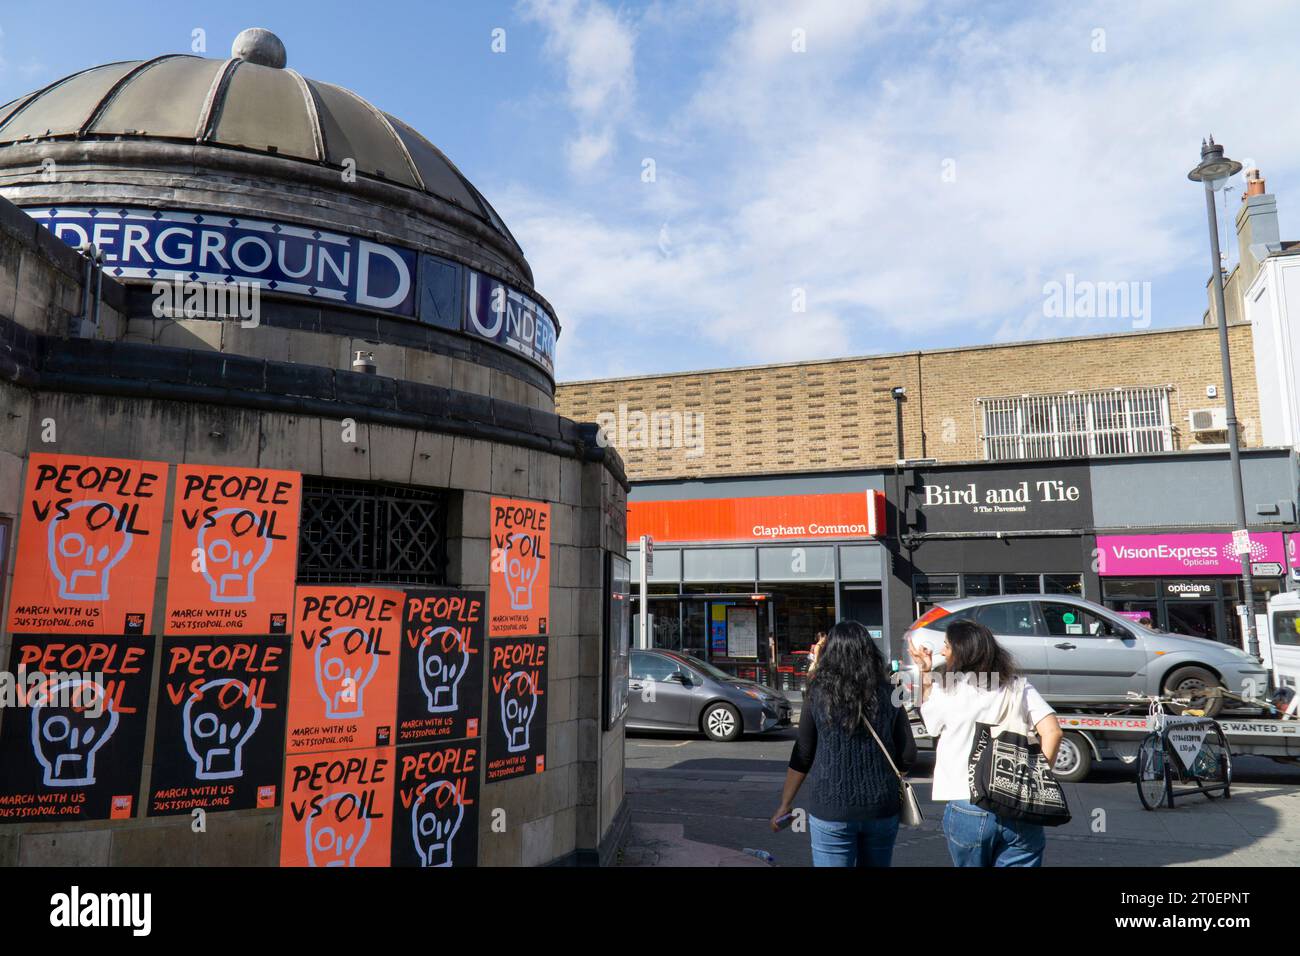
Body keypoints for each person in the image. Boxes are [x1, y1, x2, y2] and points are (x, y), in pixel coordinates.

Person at [912, 619, 1062, 867]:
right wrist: (1035, 778)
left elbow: (931, 726)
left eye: (947, 646)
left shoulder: (947, 690)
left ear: (962, 653)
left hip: (967, 802)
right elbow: (1053, 732)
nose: (942, 651)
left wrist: (925, 674)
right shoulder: (1018, 687)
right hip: (1018, 803)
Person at [772, 620, 916, 866]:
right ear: (869, 651)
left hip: (831, 808)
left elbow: (803, 753)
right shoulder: (890, 691)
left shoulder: (817, 693)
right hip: (881, 807)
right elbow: (908, 753)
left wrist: (786, 804)